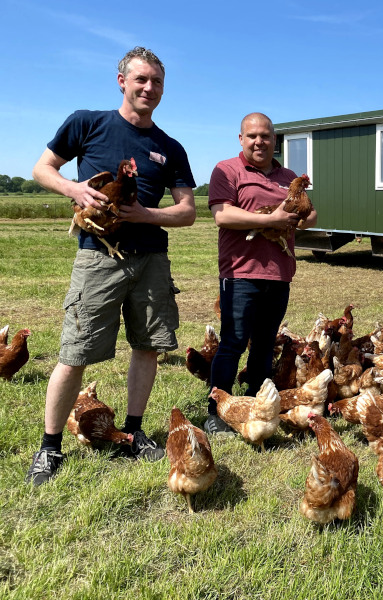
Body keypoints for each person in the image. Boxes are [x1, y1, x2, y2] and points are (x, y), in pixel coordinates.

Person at [26, 47, 196, 485]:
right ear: (121, 81)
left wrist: (147, 215)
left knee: (147, 345)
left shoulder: (169, 147)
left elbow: (188, 211)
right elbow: (42, 168)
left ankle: (135, 430)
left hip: (151, 260)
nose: (149, 88)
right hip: (99, 257)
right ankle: (50, 448)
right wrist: (74, 189)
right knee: (76, 351)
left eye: (156, 82)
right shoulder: (88, 122)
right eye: (141, 79)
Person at [204, 113, 318, 435]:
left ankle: (256, 401)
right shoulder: (227, 170)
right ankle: (217, 409)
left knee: (266, 343)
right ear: (240, 139)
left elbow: (310, 213)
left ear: (274, 140)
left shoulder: (288, 175)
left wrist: (301, 219)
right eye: (252, 135)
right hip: (241, 272)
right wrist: (271, 221)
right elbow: (222, 216)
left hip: (279, 273)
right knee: (233, 341)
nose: (259, 141)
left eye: (265, 136)